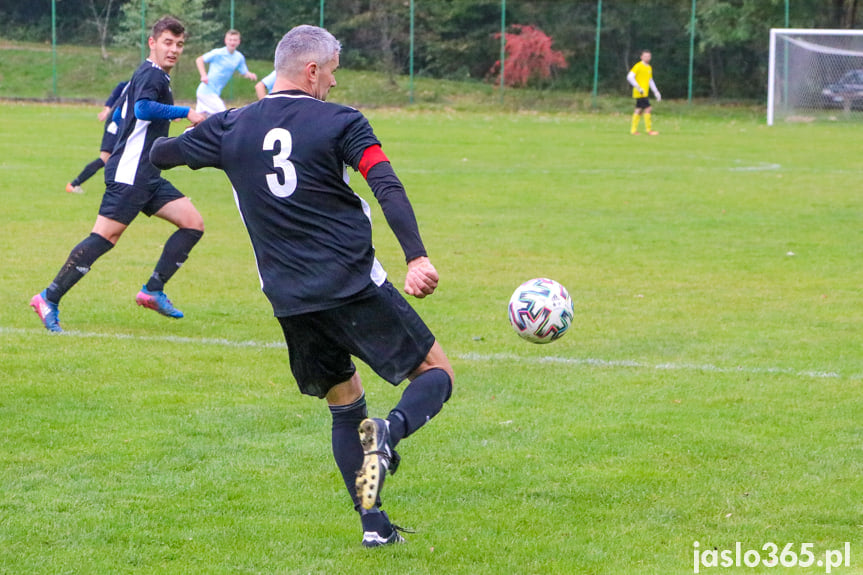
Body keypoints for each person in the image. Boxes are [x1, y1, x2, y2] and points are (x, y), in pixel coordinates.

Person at [150, 24, 454, 548]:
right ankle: (392, 431)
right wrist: (416, 255)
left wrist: (202, 128)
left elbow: (161, 156)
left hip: (290, 299)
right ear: (311, 70)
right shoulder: (343, 121)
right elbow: (384, 183)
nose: (335, 83)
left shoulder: (233, 126)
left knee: (345, 405)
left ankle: (374, 526)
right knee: (436, 374)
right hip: (354, 284)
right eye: (332, 71)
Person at [30, 16, 207, 333]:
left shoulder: (156, 75)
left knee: (192, 223)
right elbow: (142, 109)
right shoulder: (152, 76)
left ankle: (152, 290)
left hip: (148, 172)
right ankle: (48, 297)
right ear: (152, 43)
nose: (174, 50)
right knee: (104, 237)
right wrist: (186, 112)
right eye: (168, 42)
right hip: (130, 171)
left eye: (179, 44)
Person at [65, 81, 129, 194]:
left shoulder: (134, 83)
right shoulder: (138, 84)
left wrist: (107, 109)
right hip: (116, 125)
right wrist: (107, 109)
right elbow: (118, 91)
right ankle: (74, 184)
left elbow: (118, 90)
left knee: (118, 159)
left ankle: (120, 190)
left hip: (120, 125)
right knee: (105, 159)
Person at [195, 29, 258, 115]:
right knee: (224, 115)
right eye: (230, 40)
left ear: (238, 42)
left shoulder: (239, 57)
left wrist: (250, 75)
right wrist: (203, 75)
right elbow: (199, 60)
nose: (232, 42)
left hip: (214, 93)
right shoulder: (218, 53)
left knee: (200, 121)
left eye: (235, 40)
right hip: (206, 91)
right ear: (225, 41)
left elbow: (244, 72)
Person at [627, 49, 661, 136]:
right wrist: (638, 87)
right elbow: (630, 77)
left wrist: (656, 92)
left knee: (638, 110)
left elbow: (650, 80)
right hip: (640, 93)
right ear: (641, 57)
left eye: (649, 56)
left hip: (644, 92)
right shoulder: (638, 66)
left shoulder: (649, 68)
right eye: (645, 56)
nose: (647, 58)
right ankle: (649, 130)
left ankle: (633, 130)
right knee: (648, 108)